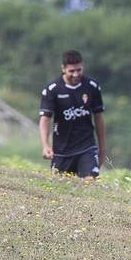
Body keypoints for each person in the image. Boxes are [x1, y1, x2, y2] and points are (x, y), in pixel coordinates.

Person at [39, 50, 106, 179]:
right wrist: (45, 145)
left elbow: (99, 117)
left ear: (83, 67)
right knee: (62, 189)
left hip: (87, 147)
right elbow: (45, 119)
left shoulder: (92, 86)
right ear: (63, 69)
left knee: (89, 181)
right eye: (71, 71)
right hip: (62, 151)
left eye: (79, 70)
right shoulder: (53, 89)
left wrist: (102, 149)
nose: (76, 74)